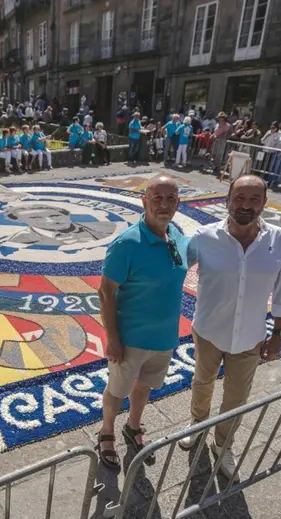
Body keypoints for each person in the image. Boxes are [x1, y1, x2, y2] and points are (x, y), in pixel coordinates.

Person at [179, 175, 281, 480]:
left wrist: (278, 335)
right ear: (227, 199)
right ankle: (197, 424)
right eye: (240, 197)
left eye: (254, 199)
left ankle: (223, 444)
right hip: (209, 330)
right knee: (202, 382)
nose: (245, 205)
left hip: (251, 336)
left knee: (237, 397)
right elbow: (173, 269)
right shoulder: (204, 237)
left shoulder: (280, 240)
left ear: (264, 203)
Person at [96, 175, 188, 470]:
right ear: (144, 200)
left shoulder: (176, 235)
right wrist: (112, 337)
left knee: (145, 386)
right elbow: (105, 291)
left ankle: (133, 427)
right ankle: (106, 431)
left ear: (178, 203)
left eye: (170, 198)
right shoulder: (128, 243)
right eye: (157, 197)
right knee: (117, 389)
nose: (164, 204)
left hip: (164, 337)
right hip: (131, 338)